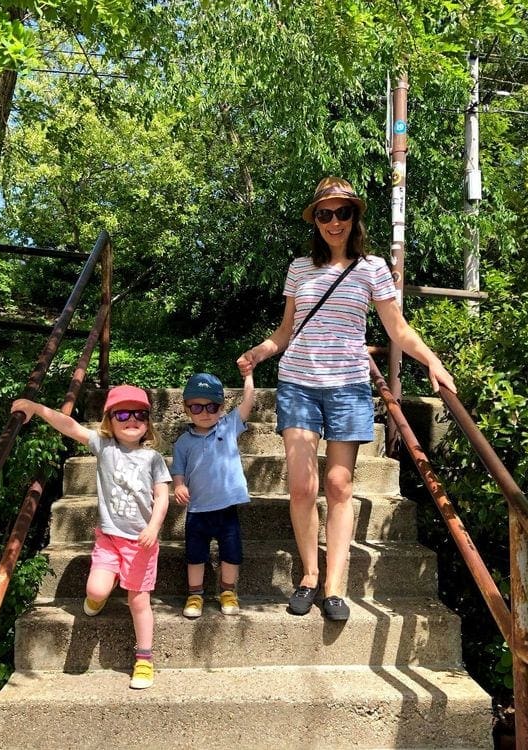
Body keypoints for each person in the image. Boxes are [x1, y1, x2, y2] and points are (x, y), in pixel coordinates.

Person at [236, 176, 456, 622]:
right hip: (298, 383)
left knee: (339, 485)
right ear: (315, 220)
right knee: (302, 486)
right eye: (324, 214)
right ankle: (309, 576)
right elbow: (285, 332)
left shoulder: (373, 268)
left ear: (354, 217)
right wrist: (259, 352)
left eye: (342, 212)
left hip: (349, 387)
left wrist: (432, 360)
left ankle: (335, 586)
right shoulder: (300, 268)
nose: (333, 222)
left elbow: (398, 330)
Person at [11, 384, 171, 689]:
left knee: (139, 601)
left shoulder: (153, 459)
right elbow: (69, 426)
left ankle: (144, 659)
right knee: (96, 591)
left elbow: (162, 496)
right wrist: (37, 408)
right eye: (122, 413)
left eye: (139, 413)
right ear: (109, 420)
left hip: (141, 544)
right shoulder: (104, 447)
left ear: (148, 421)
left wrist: (154, 527)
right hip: (109, 538)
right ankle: (103, 592)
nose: (131, 419)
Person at [171, 371, 255, 618]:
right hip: (197, 510)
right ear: (186, 409)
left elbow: (248, 402)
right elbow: (178, 471)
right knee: (195, 555)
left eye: (212, 406)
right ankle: (195, 594)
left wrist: (248, 376)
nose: (205, 412)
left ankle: (228, 591)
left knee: (231, 552)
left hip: (227, 508)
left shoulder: (228, 426)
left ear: (221, 407)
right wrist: (178, 486)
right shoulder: (183, 443)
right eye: (196, 407)